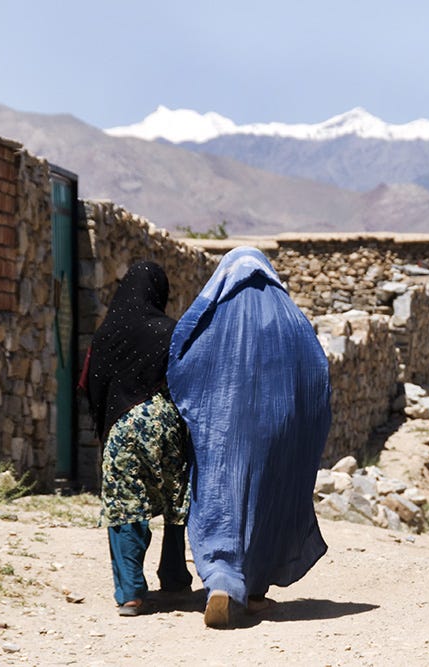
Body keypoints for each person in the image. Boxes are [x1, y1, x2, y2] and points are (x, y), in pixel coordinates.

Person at [167, 246, 332, 629]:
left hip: (222, 428)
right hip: (277, 428)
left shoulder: (213, 311)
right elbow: (317, 376)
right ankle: (254, 591)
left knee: (221, 496)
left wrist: (197, 407)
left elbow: (180, 351)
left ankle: (222, 577)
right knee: (267, 499)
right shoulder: (291, 317)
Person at [78, 261, 193, 616]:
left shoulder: (104, 334)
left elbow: (88, 384)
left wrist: (108, 423)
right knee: (175, 499)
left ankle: (130, 592)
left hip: (122, 426)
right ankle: (174, 577)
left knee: (126, 504)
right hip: (165, 423)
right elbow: (187, 380)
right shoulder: (171, 331)